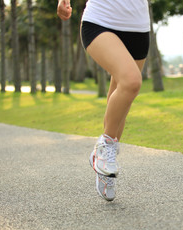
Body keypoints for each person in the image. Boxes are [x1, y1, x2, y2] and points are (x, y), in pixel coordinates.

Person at [57, 0, 150, 201]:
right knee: (131, 82)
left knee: (121, 94)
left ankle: (105, 168)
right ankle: (105, 146)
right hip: (101, 20)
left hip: (138, 26)